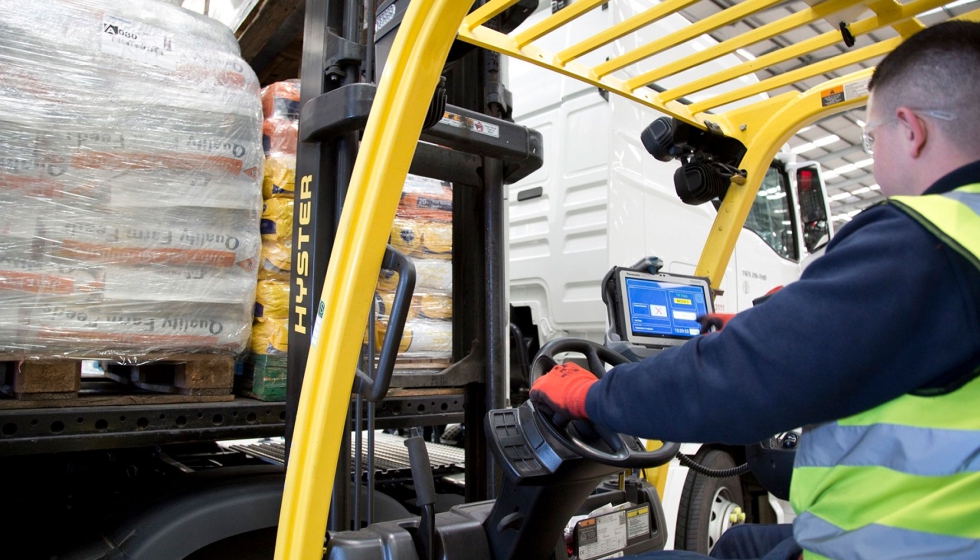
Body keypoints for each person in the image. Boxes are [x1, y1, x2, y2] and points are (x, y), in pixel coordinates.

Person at [530, 20, 980, 560]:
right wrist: (772, 329)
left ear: (910, 130)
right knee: (741, 542)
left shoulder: (927, 239)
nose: (874, 152)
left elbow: (738, 379)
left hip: (894, 548)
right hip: (930, 532)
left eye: (870, 137)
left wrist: (591, 396)